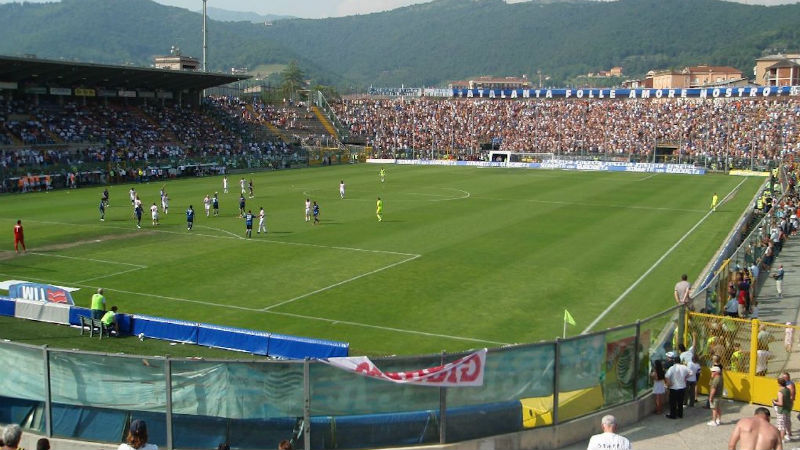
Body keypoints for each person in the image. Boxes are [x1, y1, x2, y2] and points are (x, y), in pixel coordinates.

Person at [664, 353, 692, 419]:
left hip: (674, 387)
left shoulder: (672, 368)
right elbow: (691, 373)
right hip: (682, 387)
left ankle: (673, 415)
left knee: (673, 402)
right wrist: (685, 377)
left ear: (674, 361)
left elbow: (666, 376)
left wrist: (668, 384)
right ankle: (680, 414)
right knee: (680, 402)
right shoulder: (684, 367)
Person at [773, 376, 793, 442]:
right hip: (788, 409)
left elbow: (781, 404)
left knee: (781, 426)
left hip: (782, 411)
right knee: (787, 423)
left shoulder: (780, 392)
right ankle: (789, 435)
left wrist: (775, 402)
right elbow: (787, 399)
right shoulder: (788, 390)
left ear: (779, 384)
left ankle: (781, 439)